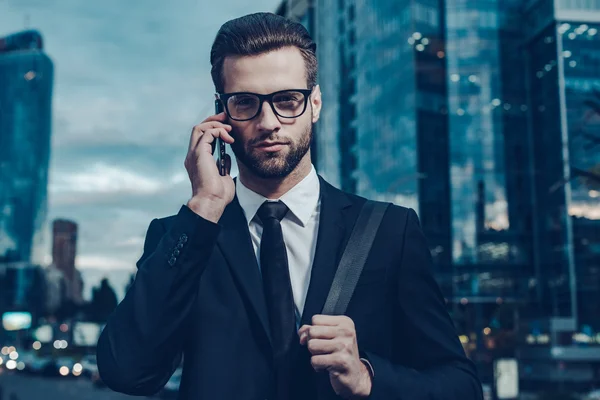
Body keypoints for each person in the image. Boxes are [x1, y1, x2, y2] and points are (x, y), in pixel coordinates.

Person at [96, 12, 483, 400]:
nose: (268, 122)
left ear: (314, 104)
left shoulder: (389, 232)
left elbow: (461, 386)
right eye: (245, 102)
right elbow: (128, 372)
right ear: (222, 114)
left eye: (286, 100)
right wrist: (205, 205)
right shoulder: (182, 235)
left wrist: (368, 376)